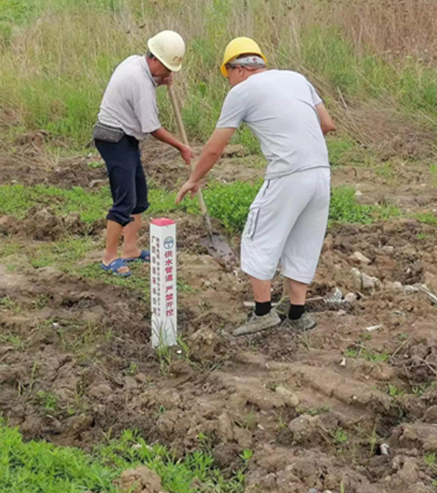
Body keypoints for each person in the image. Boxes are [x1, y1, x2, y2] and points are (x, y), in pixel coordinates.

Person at [176, 37, 336, 335]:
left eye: (229, 78)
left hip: (288, 174)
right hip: (320, 173)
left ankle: (263, 312)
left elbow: (214, 148)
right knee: (303, 241)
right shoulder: (296, 78)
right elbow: (326, 124)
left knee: (258, 236)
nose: (231, 84)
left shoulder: (243, 91)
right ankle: (297, 313)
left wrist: (194, 178)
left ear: (237, 70)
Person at [94, 30, 193, 277]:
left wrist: (160, 81)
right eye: (168, 69)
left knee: (138, 197)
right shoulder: (140, 81)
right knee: (125, 200)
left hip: (126, 138)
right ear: (155, 60)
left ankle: (130, 249)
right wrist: (180, 146)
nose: (169, 74)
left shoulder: (136, 63)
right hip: (114, 139)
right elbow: (152, 128)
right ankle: (108, 258)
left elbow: (144, 93)